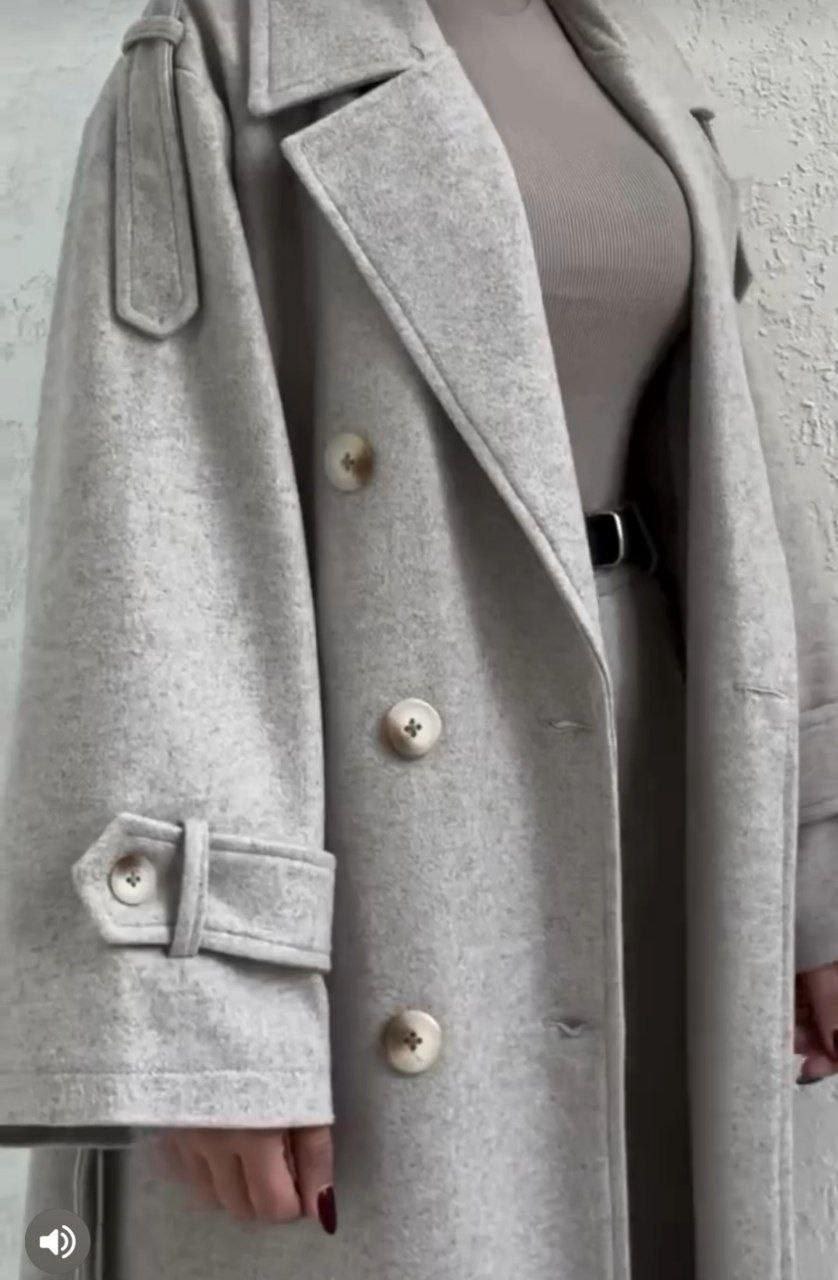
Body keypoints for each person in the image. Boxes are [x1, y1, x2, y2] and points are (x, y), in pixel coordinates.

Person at [2, 2, 836, 1278]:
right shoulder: (225, 51)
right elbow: (149, 528)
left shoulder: (624, 57)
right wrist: (206, 1000)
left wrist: (812, 858)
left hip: (649, 782)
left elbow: (748, 486)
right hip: (383, 841)